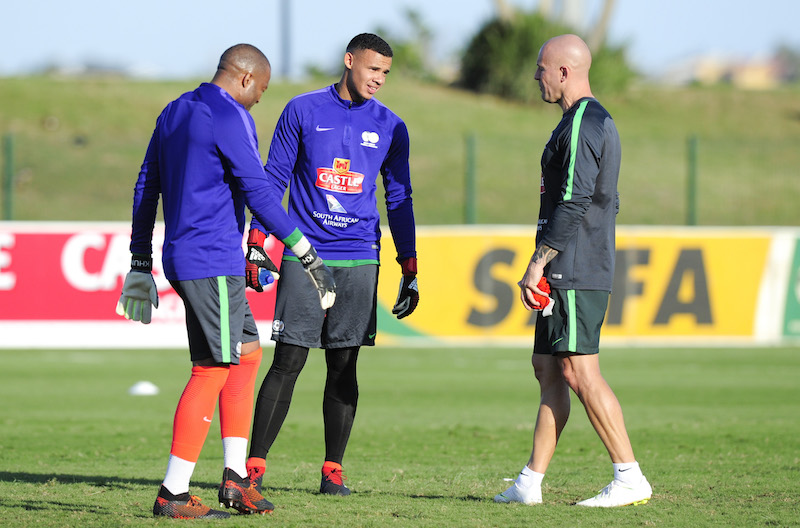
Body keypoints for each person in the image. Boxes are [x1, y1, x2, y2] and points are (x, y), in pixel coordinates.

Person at [115, 43, 336, 519]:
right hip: (212, 260)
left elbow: (145, 185)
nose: (260, 99)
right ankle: (172, 494)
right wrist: (304, 249)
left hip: (188, 256)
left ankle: (236, 480)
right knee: (211, 369)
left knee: (248, 355)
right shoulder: (230, 115)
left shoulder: (174, 111)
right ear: (244, 78)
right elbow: (258, 189)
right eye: (262, 89)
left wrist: (139, 259)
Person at [244, 33, 418, 496]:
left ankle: (332, 473)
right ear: (349, 61)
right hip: (306, 253)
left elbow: (399, 197)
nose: (378, 79)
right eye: (371, 69)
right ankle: (253, 469)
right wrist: (257, 241)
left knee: (344, 365)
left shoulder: (391, 126)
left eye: (385, 72)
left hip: (361, 255)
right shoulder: (302, 110)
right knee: (289, 360)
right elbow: (273, 178)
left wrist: (409, 264)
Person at [493, 34, 652, 508]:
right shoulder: (579, 121)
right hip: (571, 262)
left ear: (564, 71)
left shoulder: (584, 120)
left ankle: (629, 476)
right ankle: (529, 483)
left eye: (541, 68)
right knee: (550, 368)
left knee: (580, 370)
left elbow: (576, 198)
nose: (535, 76)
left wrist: (540, 261)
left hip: (574, 267)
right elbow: (609, 198)